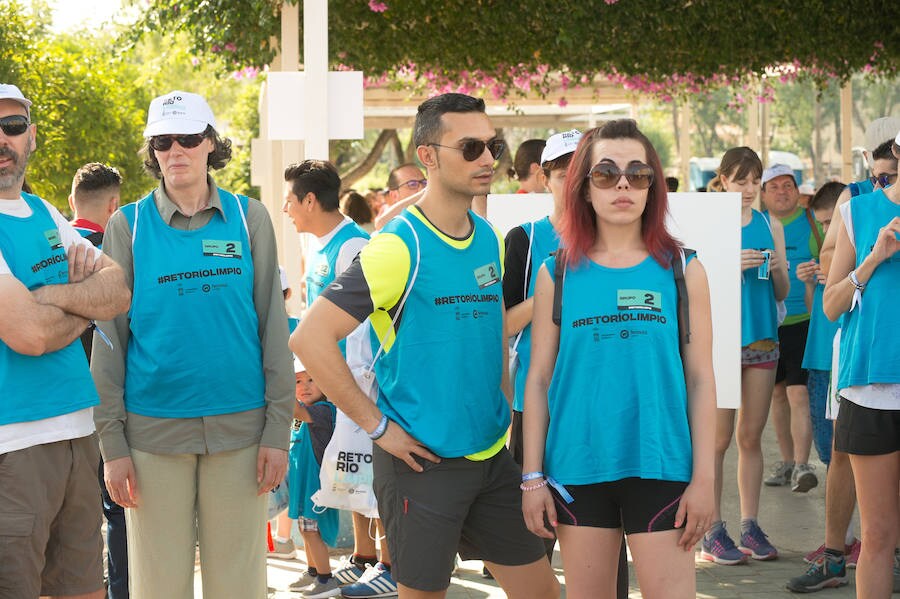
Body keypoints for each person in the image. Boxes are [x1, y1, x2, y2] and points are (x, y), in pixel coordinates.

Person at [292, 92, 560, 599]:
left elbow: (490, 332)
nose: (487, 159)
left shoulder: (488, 237)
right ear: (429, 157)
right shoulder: (397, 245)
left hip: (491, 459)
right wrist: (378, 428)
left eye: (493, 147)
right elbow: (309, 337)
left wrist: (501, 405)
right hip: (421, 466)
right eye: (472, 147)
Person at [91, 90, 294, 599]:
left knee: (239, 586)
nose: (175, 149)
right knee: (159, 586)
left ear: (210, 144)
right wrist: (112, 446)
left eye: (188, 137)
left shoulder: (251, 219)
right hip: (152, 438)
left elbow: (273, 326)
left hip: (242, 434)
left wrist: (277, 430)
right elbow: (110, 342)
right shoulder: (128, 225)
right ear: (152, 150)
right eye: (163, 140)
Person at [520, 119, 715, 599]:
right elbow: (539, 379)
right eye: (606, 173)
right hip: (576, 469)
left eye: (638, 173)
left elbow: (701, 380)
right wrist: (530, 478)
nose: (623, 184)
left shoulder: (683, 270)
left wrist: (707, 481)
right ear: (584, 188)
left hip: (663, 464)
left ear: (653, 187)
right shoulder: (555, 273)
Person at [0, 83, 130, 599]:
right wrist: (82, 298)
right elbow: (28, 335)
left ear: (31, 137)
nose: (2, 139)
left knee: (84, 591)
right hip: (14, 447)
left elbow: (118, 291)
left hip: (78, 434)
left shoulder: (46, 213)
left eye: (12, 127)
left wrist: (49, 297)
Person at [282, 160, 397, 598]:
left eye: (290, 200)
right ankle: (364, 556)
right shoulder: (318, 247)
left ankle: (389, 562)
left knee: (370, 470)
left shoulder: (355, 247)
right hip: (331, 381)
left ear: (310, 200)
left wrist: (358, 382)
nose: (286, 208)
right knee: (348, 471)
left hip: (360, 382)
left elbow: (365, 328)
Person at [822, 129, 900, 599]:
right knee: (878, 537)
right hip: (869, 390)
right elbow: (830, 306)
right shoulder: (857, 211)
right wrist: (872, 259)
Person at [703, 147, 789, 566]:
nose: (749, 189)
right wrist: (729, 265)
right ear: (721, 180)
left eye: (755, 181)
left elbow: (782, 292)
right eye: (740, 181)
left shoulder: (768, 222)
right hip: (719, 342)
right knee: (717, 440)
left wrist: (775, 269)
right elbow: (689, 283)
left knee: (750, 437)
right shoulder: (710, 223)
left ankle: (750, 525)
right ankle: (713, 529)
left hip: (762, 341)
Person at [69, 162, 131, 599]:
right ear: (115, 206)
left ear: (72, 201)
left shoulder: (42, 248)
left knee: (66, 523)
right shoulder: (119, 258)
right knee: (121, 515)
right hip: (109, 407)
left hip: (48, 409)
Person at [761, 163, 823, 493]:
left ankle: (802, 465)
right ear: (763, 193)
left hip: (804, 322)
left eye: (788, 185)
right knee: (776, 395)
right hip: (768, 322)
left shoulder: (815, 224)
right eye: (774, 187)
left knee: (798, 393)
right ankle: (787, 462)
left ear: (797, 190)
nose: (782, 192)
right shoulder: (758, 225)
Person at [288, 357, 341, 599]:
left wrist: (279, 385)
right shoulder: (305, 415)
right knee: (305, 530)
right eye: (298, 381)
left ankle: (325, 579)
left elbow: (294, 408)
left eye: (312, 379)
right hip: (303, 485)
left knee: (311, 532)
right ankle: (312, 572)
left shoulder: (322, 411)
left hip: (316, 487)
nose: (305, 386)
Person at [373, 163, 427, 230]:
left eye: (424, 182)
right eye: (412, 184)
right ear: (394, 195)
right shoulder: (393, 227)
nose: (422, 188)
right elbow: (381, 224)